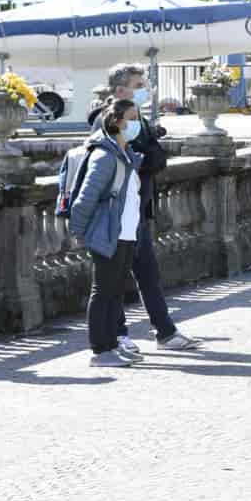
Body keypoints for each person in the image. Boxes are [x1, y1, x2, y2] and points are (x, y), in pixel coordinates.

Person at [89, 64, 201, 357]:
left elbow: (154, 157)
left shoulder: (136, 120)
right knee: (115, 278)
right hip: (117, 212)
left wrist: (148, 153)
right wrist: (147, 154)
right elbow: (133, 160)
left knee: (147, 272)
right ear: (121, 90)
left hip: (136, 207)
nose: (145, 90)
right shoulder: (108, 122)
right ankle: (118, 334)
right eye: (139, 85)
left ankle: (164, 330)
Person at [69, 99, 143, 368]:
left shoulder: (123, 153)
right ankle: (100, 350)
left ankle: (111, 343)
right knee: (103, 291)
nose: (137, 124)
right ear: (117, 122)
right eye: (133, 118)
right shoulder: (105, 156)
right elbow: (86, 198)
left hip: (124, 232)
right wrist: (77, 231)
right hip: (108, 232)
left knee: (114, 291)